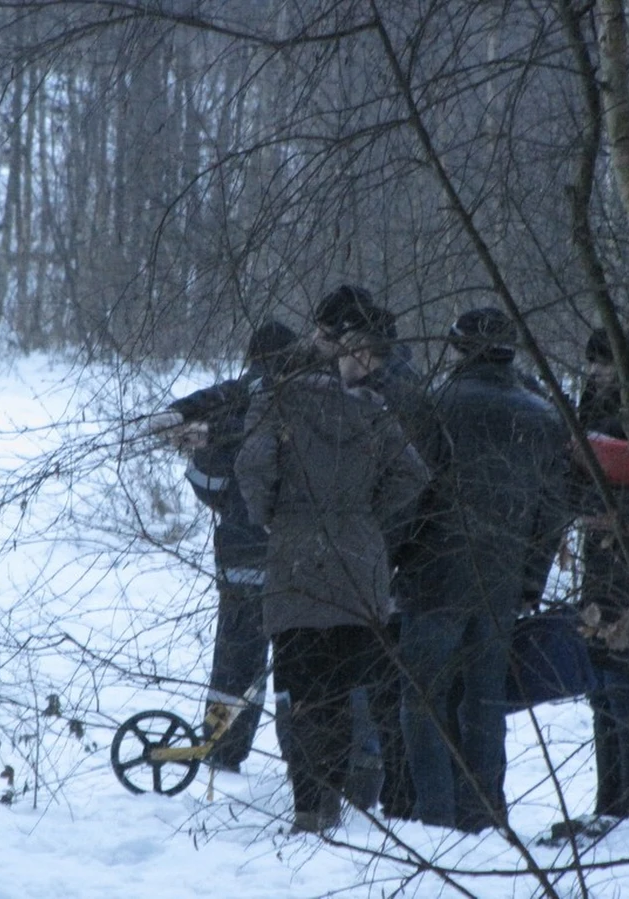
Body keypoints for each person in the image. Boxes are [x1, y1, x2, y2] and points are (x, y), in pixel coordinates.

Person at [235, 347, 429, 834]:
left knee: (301, 692)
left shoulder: (277, 403)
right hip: (358, 561)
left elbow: (252, 467)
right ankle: (331, 802)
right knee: (342, 692)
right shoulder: (371, 408)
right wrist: (367, 518)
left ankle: (306, 807)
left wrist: (270, 516)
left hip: (297, 558)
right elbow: (413, 473)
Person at [399, 307, 570, 833]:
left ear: (459, 349)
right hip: (501, 581)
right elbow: (553, 509)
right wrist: (530, 580)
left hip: (436, 574)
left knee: (422, 698)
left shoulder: (440, 405)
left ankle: (435, 815)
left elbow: (411, 491)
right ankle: (485, 815)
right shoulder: (541, 416)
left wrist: (394, 556)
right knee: (486, 702)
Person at [157, 320, 298, 773]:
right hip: (298, 564)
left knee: (235, 666)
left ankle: (222, 747)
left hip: (240, 557)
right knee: (297, 666)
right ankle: (305, 756)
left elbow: (209, 485)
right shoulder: (307, 402)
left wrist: (200, 455)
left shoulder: (232, 401)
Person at [331, 304, 445, 820]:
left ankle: (397, 797)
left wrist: (375, 543)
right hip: (399, 557)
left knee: (382, 687)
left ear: (363, 353)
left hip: (388, 561)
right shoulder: (407, 389)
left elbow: (407, 483)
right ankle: (397, 794)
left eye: (344, 350)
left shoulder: (385, 401)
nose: (337, 361)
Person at [569, 327, 629, 832]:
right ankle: (611, 804)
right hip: (599, 565)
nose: (594, 373)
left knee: (627, 687)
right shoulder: (592, 405)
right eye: (591, 363)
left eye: (603, 363)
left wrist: (605, 505)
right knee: (602, 689)